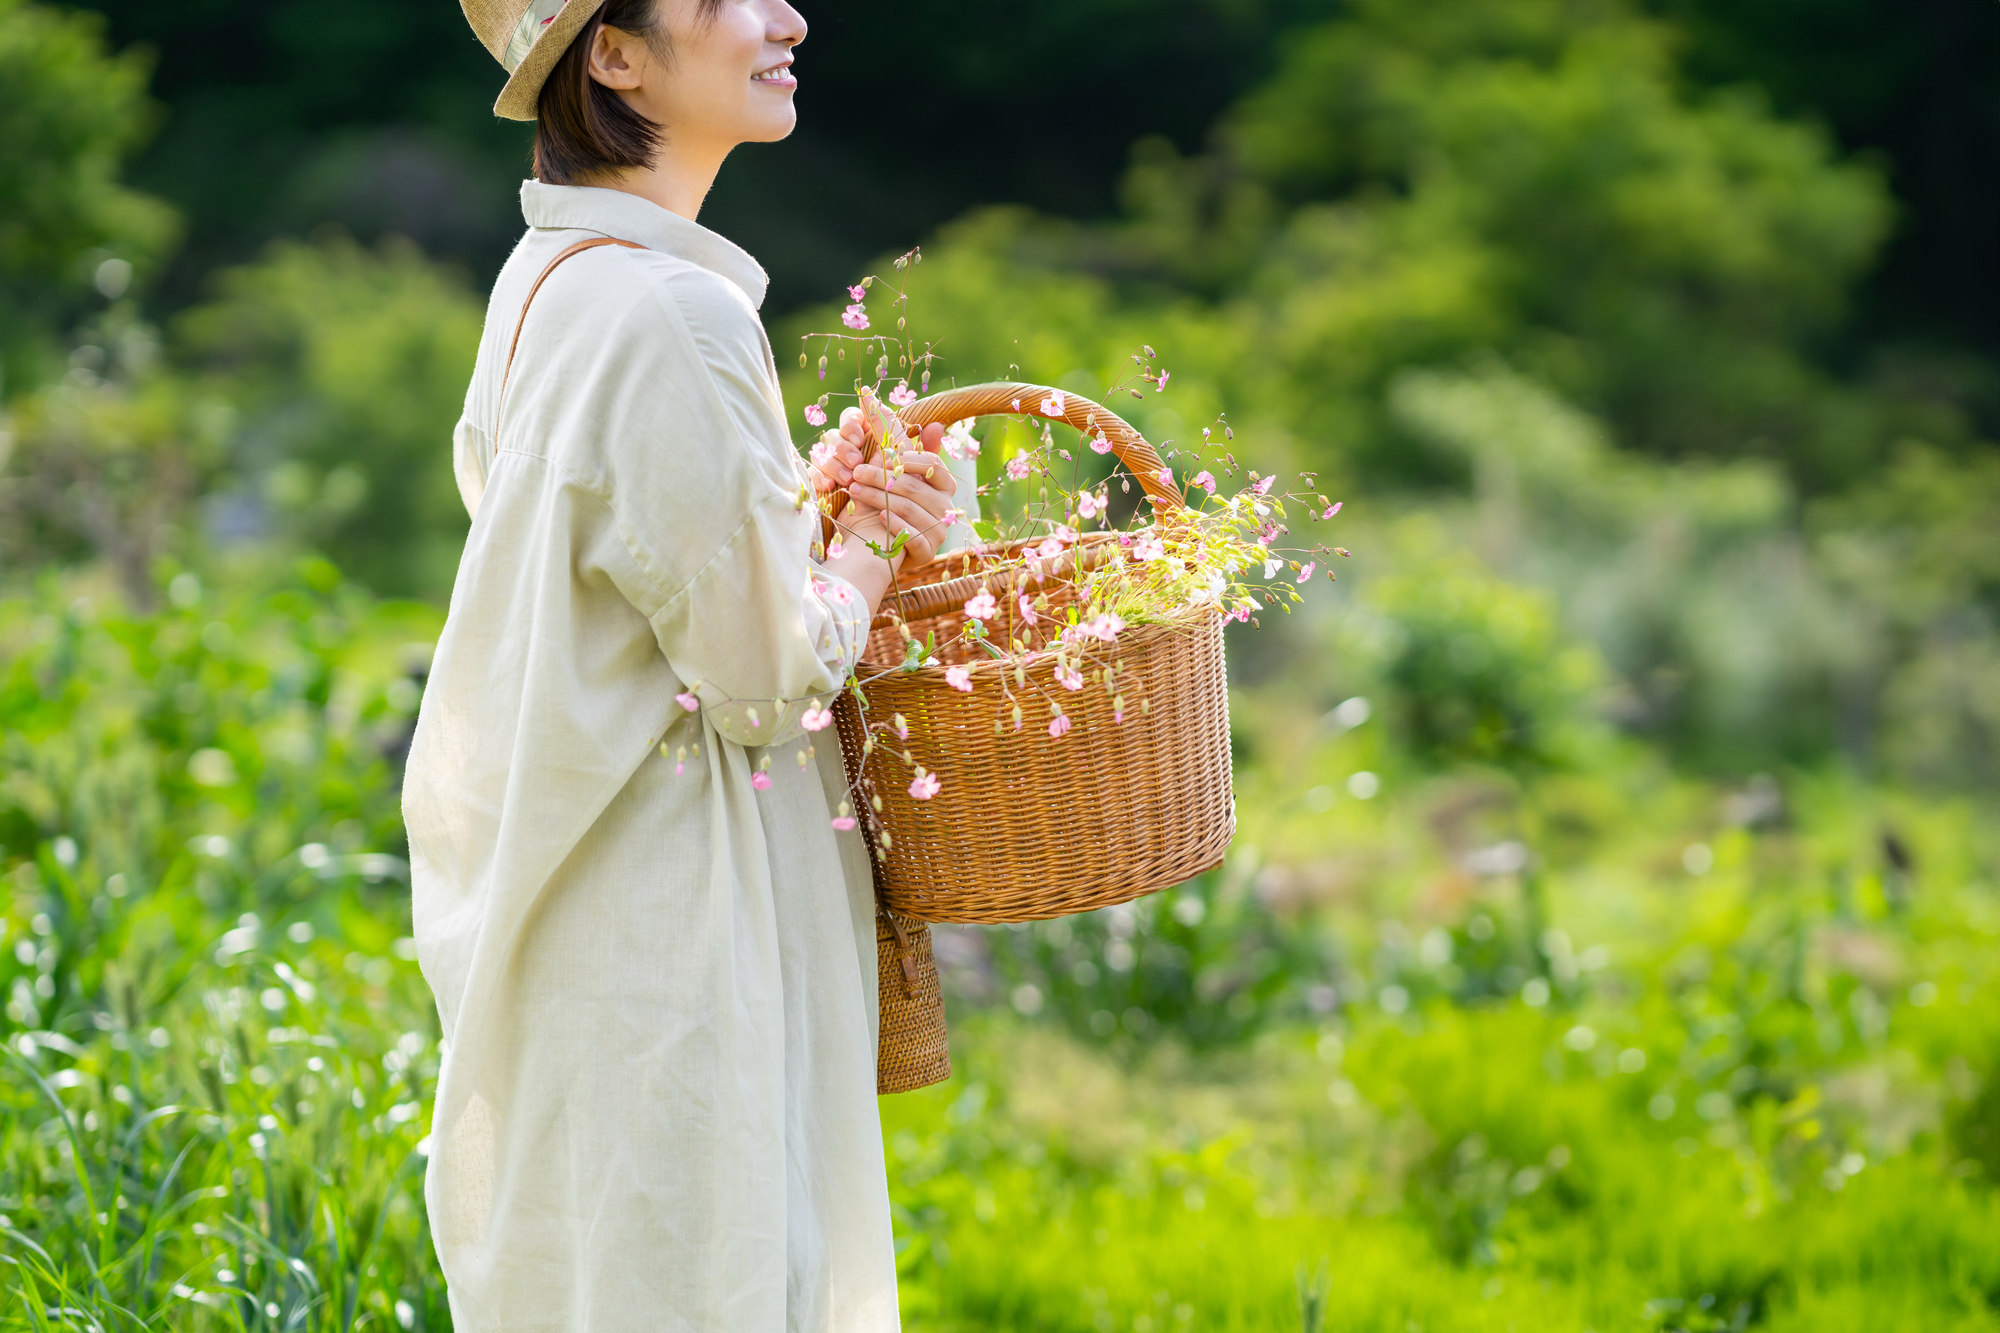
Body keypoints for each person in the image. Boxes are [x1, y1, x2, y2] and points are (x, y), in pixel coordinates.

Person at [405, 1, 956, 1326]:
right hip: (681, 926)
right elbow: (768, 673)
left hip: (593, 919)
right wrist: (879, 533)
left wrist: (798, 521)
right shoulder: (671, 312)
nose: (787, 16)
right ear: (614, 53)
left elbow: (640, 578)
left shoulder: (550, 283)